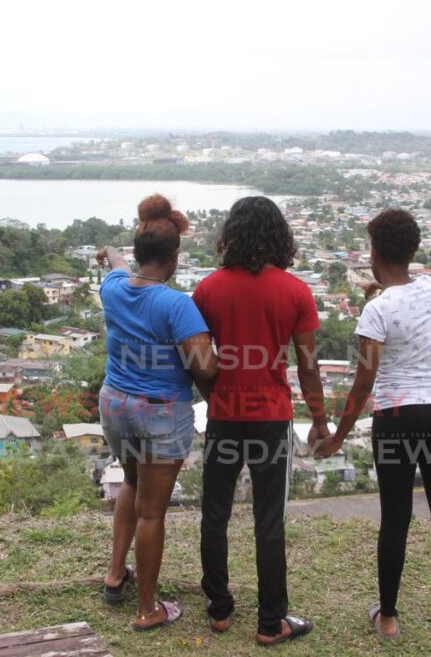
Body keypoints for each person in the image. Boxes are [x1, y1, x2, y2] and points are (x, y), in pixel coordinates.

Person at [315, 208, 431, 639]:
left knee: (396, 519)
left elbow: (363, 384)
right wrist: (378, 289)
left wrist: (338, 436)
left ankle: (388, 618)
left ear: (372, 251)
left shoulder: (376, 313)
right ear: (413, 250)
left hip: (396, 418)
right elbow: (404, 287)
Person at [192, 196, 329, 647]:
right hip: (271, 418)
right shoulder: (295, 292)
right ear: (279, 236)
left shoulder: (209, 290)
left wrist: (214, 397)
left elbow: (198, 360)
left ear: (231, 233)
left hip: (224, 418)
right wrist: (320, 420)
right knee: (269, 521)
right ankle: (272, 622)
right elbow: (307, 366)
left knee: (215, 514)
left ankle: (219, 609)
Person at [97, 195, 218, 631]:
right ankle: (148, 608)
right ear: (174, 257)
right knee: (153, 511)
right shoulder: (176, 305)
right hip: (161, 412)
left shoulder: (113, 287)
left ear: (136, 254)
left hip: (115, 403)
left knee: (130, 481)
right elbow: (204, 366)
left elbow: (112, 260)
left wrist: (110, 253)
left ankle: (115, 577)